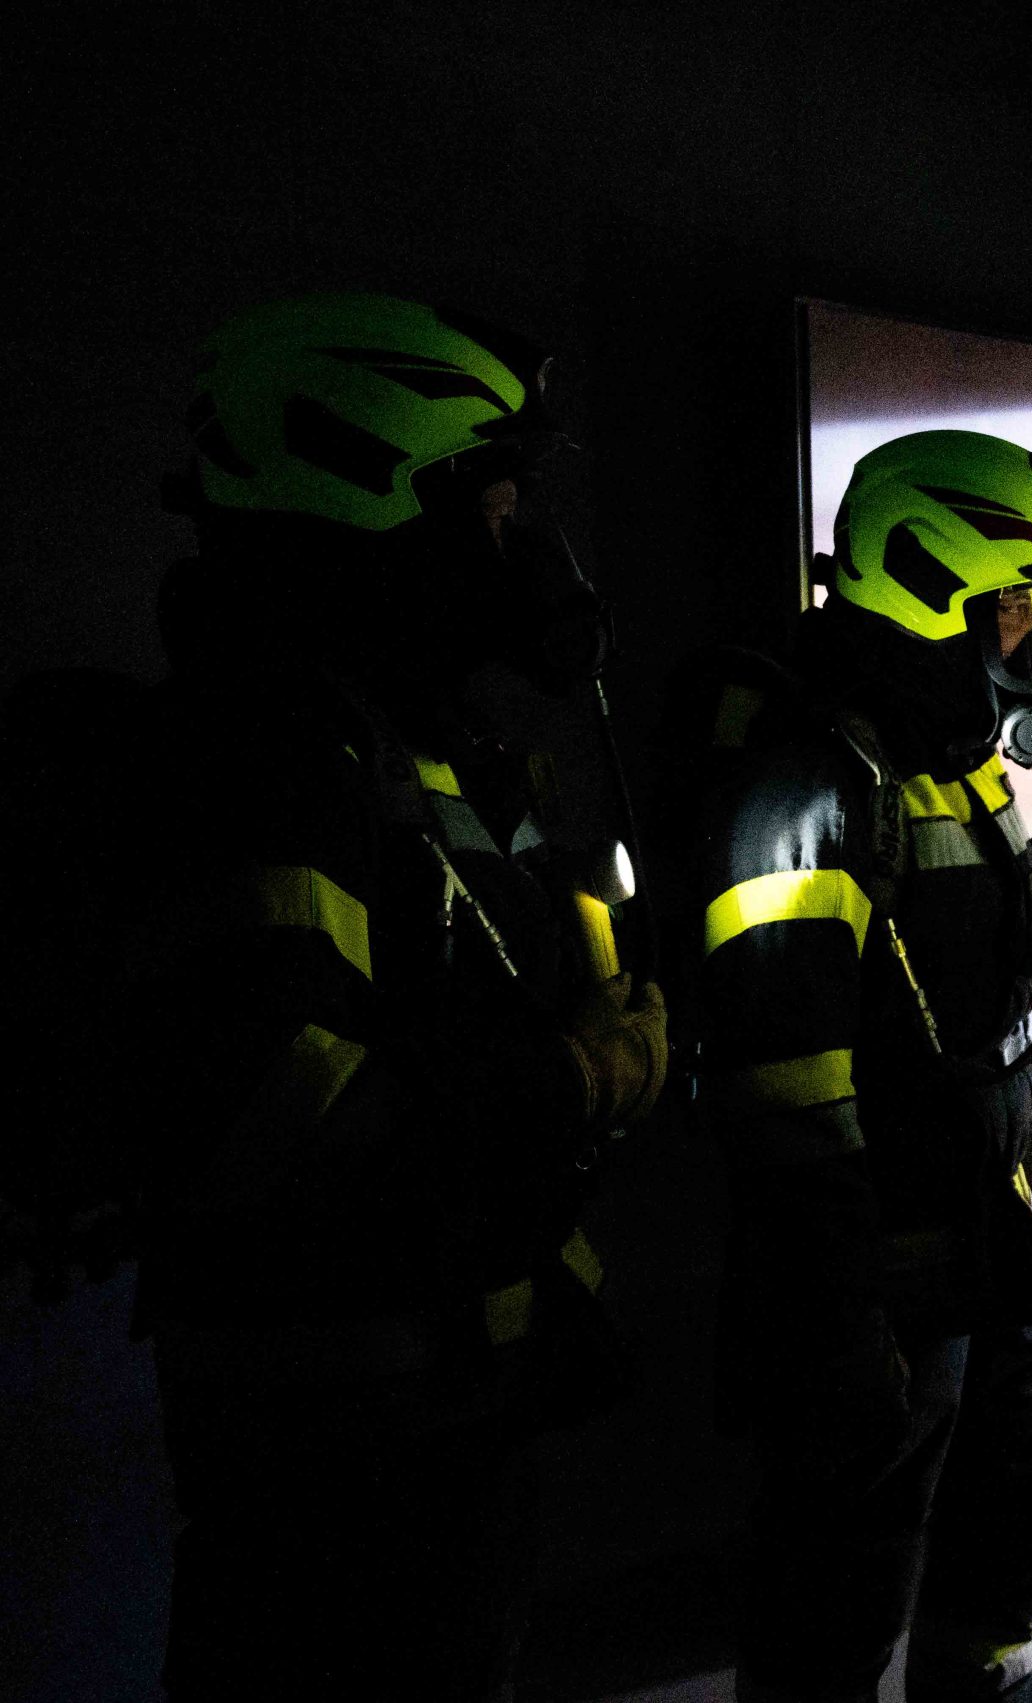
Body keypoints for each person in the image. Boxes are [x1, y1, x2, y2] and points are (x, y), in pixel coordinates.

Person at [135, 294, 669, 1698]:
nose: (523, 547)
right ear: (371, 491)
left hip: (440, 1420)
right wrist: (577, 1077)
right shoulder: (260, 750)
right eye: (492, 505)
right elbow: (281, 1111)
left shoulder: (400, 744)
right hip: (332, 1459)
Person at [673, 430, 1032, 1702]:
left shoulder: (956, 769)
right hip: (879, 1286)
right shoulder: (810, 784)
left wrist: (1026, 1138)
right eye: (1017, 607)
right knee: (842, 1584)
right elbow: (784, 1094)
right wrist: (843, 1319)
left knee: (1025, 1516)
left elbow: (973, 1012)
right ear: (932, 593)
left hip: (993, 1239)